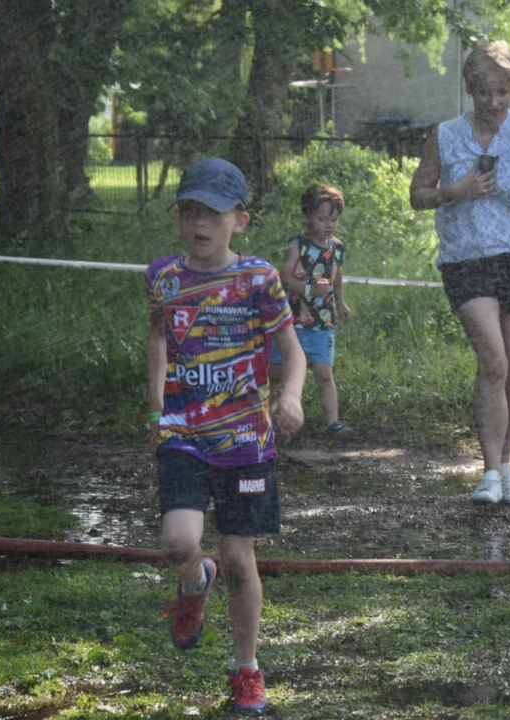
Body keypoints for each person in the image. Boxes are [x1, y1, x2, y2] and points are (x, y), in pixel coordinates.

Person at [146, 157, 307, 714]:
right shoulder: (165, 278)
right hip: (184, 435)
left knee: (241, 563)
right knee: (179, 543)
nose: (201, 224)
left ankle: (246, 669)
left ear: (239, 220)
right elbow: (158, 343)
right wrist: (156, 413)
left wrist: (290, 396)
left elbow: (293, 352)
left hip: (246, 442)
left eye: (213, 213)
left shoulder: (258, 279)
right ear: (178, 217)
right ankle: (193, 584)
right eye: (191, 211)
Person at [409, 41, 510, 506]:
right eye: (483, 92)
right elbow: (418, 194)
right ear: (470, 91)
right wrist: (455, 191)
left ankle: (506, 465)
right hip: (467, 258)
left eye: (501, 92)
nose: (492, 102)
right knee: (493, 361)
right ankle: (488, 471)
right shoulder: (444, 135)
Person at [270, 184, 352, 435]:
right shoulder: (298, 245)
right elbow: (284, 278)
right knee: (276, 374)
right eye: (322, 218)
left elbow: (337, 276)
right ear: (307, 216)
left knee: (323, 372)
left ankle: (333, 424)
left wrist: (340, 301)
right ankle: (265, 418)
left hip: (322, 321)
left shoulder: (337, 247)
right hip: (291, 320)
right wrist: (308, 291)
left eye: (334, 219)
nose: (329, 224)